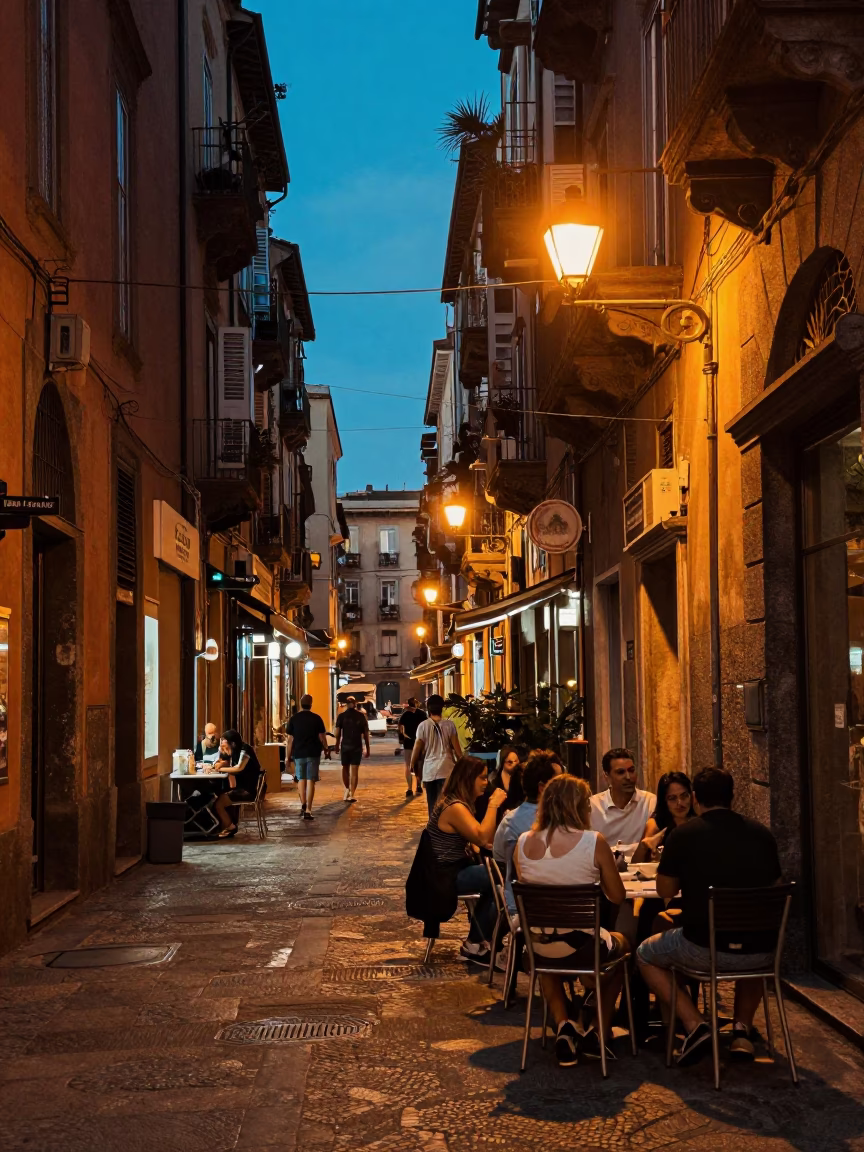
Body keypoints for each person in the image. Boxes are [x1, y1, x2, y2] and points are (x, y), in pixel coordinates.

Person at [637, 767, 783, 1066]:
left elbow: (665, 887)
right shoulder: (762, 835)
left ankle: (695, 1025)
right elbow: (776, 889)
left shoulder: (684, 835)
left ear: (694, 798)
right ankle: (741, 1031)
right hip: (763, 953)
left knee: (644, 955)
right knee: (750, 936)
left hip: (704, 949)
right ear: (733, 795)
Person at [515, 774, 630, 1066]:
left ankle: (564, 1023)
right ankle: (598, 1032)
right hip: (583, 947)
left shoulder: (523, 842)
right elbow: (617, 896)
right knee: (623, 946)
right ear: (579, 808)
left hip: (538, 947)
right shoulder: (594, 842)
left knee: (548, 946)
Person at [425, 755, 508, 961]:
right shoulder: (454, 807)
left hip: (451, 869)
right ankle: (477, 941)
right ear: (467, 779)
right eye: (481, 777)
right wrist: (493, 806)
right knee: (502, 875)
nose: (485, 782)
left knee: (497, 875)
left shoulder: (457, 803)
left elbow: (480, 841)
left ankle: (482, 938)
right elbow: (481, 836)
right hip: (445, 876)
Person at [493, 750, 562, 916]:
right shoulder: (558, 819)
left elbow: (501, 862)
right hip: (536, 907)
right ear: (542, 787)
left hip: (519, 903)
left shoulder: (510, 820)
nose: (566, 786)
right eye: (560, 781)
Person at [589, 748, 656, 855]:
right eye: (621, 772)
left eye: (631, 770)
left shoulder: (650, 802)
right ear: (607, 776)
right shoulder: (593, 806)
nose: (628, 777)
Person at [410, 695, 462, 815]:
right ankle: (444, 829)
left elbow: (417, 749)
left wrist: (412, 765)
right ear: (442, 708)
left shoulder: (423, 726)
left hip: (430, 771)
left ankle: (433, 829)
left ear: (428, 708)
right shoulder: (450, 725)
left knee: (432, 805)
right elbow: (458, 751)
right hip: (447, 770)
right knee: (446, 805)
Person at [632, 771, 694, 864]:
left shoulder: (700, 820)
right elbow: (635, 865)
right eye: (672, 798)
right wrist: (644, 846)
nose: (680, 803)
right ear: (664, 801)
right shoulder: (656, 824)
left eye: (684, 796)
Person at [212, 730, 264, 837]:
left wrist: (221, 770)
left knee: (218, 803)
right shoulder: (234, 750)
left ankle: (230, 827)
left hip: (248, 790)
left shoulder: (245, 750)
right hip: (242, 787)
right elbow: (225, 761)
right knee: (221, 793)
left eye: (226, 744)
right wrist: (220, 760)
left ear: (233, 743)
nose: (224, 747)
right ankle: (226, 825)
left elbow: (239, 768)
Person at [285, 694, 330, 820]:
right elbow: (322, 737)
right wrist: (326, 749)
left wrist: (287, 758)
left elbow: (290, 741)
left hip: (299, 754)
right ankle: (309, 810)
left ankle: (303, 804)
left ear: (300, 703)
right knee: (311, 780)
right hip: (313, 753)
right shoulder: (317, 718)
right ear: (311, 703)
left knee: (301, 779)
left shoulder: (294, 719)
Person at [335, 696, 370, 802]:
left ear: (346, 704)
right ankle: (352, 794)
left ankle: (347, 789)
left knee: (345, 768)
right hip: (356, 746)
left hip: (345, 746)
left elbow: (337, 733)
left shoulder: (341, 716)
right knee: (354, 771)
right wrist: (367, 748)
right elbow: (366, 734)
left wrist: (337, 745)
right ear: (355, 704)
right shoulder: (361, 716)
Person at [398, 697, 427, 799]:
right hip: (420, 742)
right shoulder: (423, 714)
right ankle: (418, 785)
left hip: (409, 742)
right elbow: (426, 728)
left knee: (408, 765)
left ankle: (409, 788)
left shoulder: (405, 714)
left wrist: (401, 739)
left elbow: (400, 728)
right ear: (417, 703)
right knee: (419, 765)